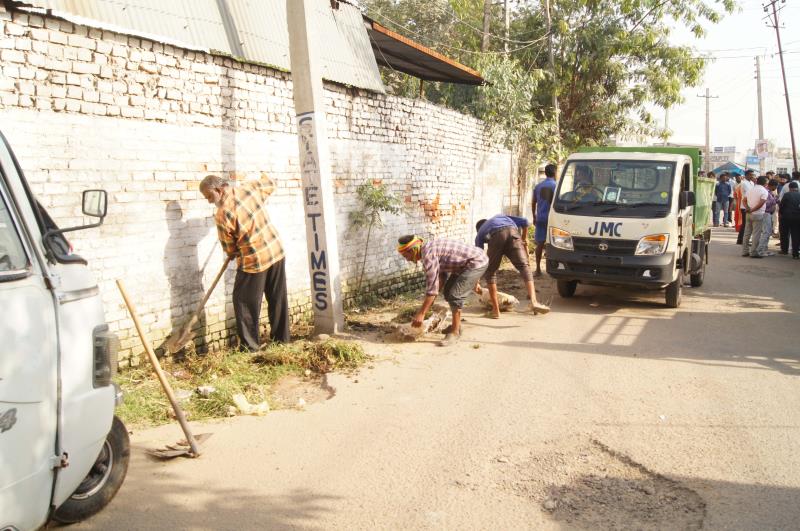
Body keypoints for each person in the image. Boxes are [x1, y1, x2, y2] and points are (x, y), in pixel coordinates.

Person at [199, 174, 290, 350]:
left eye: (209, 196)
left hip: (254, 261)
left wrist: (233, 250)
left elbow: (230, 249)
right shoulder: (249, 189)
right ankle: (282, 341)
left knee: (243, 302)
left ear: (218, 190)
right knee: (277, 298)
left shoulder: (223, 214)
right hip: (275, 250)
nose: (209, 201)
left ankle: (250, 347)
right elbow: (271, 182)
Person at [397, 235, 488, 346]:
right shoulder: (428, 249)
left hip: (476, 262)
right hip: (464, 264)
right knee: (448, 292)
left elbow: (432, 288)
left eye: (406, 256)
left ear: (413, 250)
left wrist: (421, 313)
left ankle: (455, 333)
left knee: (455, 296)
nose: (407, 259)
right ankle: (456, 325)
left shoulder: (428, 256)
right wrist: (430, 302)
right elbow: (441, 277)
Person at [474, 215, 550, 318]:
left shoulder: (480, 233)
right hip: (513, 233)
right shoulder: (501, 217)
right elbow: (525, 221)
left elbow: (479, 259)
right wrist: (523, 239)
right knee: (524, 267)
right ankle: (534, 301)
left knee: (490, 272)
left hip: (497, 236)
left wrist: (476, 281)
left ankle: (495, 311)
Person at [532, 163, 558, 275]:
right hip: (553, 219)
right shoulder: (557, 186)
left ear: (546, 173)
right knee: (555, 244)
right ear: (555, 173)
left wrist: (534, 216)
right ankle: (554, 269)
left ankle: (538, 269)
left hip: (541, 218)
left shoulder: (538, 186)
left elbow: (533, 202)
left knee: (540, 244)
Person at [742, 175, 769, 258]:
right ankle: (753, 252)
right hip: (758, 214)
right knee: (756, 234)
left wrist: (748, 208)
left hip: (749, 214)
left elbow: (744, 200)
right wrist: (752, 210)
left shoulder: (751, 189)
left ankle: (745, 251)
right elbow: (761, 203)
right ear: (765, 183)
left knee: (747, 233)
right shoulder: (764, 191)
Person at [778, 171, 800, 254]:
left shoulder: (787, 194)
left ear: (790, 188)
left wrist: (780, 214)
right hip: (797, 217)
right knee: (795, 235)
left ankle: (784, 250)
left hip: (786, 217)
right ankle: (795, 253)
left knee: (784, 234)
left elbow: (781, 205)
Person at [757, 179, 780, 257]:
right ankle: (760, 250)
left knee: (768, 232)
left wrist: (776, 199)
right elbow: (766, 203)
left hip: (768, 214)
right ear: (773, 186)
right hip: (765, 213)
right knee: (766, 232)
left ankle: (764, 249)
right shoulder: (766, 192)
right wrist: (775, 201)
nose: (776, 188)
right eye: (776, 187)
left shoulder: (769, 192)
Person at [737, 170, 756, 244]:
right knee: (745, 224)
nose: (752, 176)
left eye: (753, 175)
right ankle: (740, 240)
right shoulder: (744, 183)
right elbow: (748, 194)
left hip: (750, 205)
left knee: (748, 224)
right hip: (745, 206)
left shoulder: (752, 183)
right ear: (747, 175)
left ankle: (743, 239)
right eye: (751, 175)